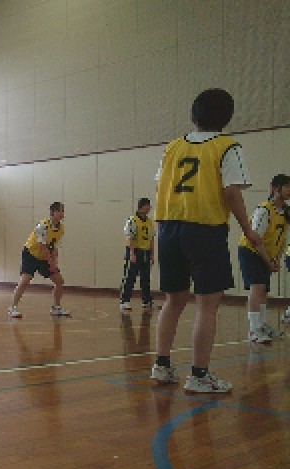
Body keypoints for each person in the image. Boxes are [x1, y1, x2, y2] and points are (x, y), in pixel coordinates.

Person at [150, 88, 262, 394]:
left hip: (169, 228)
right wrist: (248, 229)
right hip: (205, 229)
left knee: (173, 301)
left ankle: (161, 366)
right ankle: (199, 375)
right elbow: (231, 193)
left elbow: (160, 187)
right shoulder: (227, 146)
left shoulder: (172, 147)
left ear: (194, 115)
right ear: (227, 117)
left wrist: (163, 229)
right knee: (207, 306)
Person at [237, 174, 290, 343]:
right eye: (287, 186)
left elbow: (283, 239)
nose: (289, 190)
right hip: (251, 251)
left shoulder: (285, 212)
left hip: (266, 253)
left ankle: (261, 325)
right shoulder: (264, 210)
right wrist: (268, 261)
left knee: (264, 290)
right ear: (275, 188)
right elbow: (256, 239)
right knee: (257, 287)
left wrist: (276, 259)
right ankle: (253, 330)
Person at [8, 202, 70, 318]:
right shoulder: (42, 226)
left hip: (44, 257)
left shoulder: (61, 229)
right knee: (25, 280)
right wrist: (51, 263)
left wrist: (54, 264)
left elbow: (54, 248)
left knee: (59, 281)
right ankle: (12, 308)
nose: (62, 213)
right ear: (52, 212)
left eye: (63, 211)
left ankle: (56, 308)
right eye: (59, 211)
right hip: (30, 254)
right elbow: (43, 247)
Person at [119, 197, 155, 312]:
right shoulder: (132, 220)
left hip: (145, 251)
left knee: (145, 278)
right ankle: (124, 301)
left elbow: (151, 239)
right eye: (147, 206)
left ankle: (146, 300)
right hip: (135, 251)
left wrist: (152, 254)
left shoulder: (149, 222)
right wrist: (132, 253)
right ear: (142, 206)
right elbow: (130, 237)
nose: (149, 208)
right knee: (130, 277)